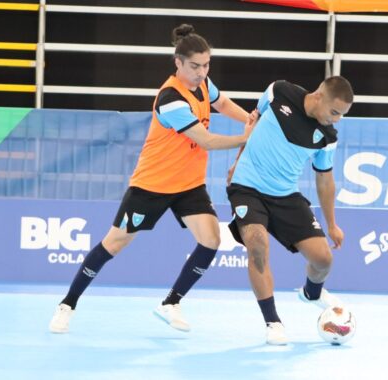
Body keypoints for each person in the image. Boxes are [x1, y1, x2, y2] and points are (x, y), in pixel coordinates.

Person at [50, 24, 257, 333]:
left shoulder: (203, 84)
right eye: (195, 66)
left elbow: (223, 103)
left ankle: (171, 302)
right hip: (152, 185)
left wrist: (252, 120)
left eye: (206, 65)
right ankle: (67, 305)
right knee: (113, 245)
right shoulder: (171, 98)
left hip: (188, 185)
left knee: (211, 239)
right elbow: (207, 141)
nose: (202, 72)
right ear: (178, 63)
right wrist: (248, 138)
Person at [226, 76, 353, 345]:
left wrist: (332, 224)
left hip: (285, 195)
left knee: (323, 260)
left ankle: (311, 293)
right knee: (257, 246)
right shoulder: (278, 92)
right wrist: (238, 161)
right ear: (319, 96)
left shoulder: (327, 136)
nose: (337, 119)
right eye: (334, 112)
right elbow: (254, 121)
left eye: (342, 115)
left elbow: (324, 179)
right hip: (247, 186)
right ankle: (273, 321)